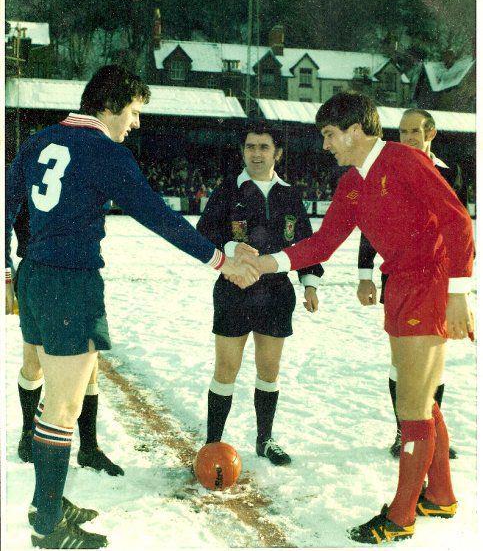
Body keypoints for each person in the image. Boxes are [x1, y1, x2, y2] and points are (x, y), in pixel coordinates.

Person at [5, 64, 257, 549]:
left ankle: (49, 500)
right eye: (135, 111)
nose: (136, 123)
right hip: (70, 282)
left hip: (35, 275)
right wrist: (219, 260)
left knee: (63, 393)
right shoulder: (105, 151)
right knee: (63, 405)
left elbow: (6, 201)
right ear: (112, 104)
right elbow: (159, 216)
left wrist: (7, 270)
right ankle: (47, 525)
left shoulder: (39, 140)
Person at [249, 92, 474, 543]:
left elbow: (459, 222)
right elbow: (322, 243)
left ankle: (401, 516)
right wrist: (266, 262)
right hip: (400, 286)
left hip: (430, 283)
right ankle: (441, 495)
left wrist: (457, 295)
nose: (326, 145)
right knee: (420, 396)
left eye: (330, 135)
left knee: (411, 405)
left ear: (354, 130)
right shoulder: (352, 181)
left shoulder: (405, 161)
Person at [196, 123, 322, 465]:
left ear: (277, 153)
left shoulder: (290, 194)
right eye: (250, 146)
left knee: (269, 369)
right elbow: (204, 232)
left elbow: (306, 246)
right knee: (226, 368)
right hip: (234, 290)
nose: (256, 153)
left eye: (264, 147)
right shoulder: (227, 190)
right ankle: (212, 445)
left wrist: (309, 282)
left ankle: (264, 440)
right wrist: (233, 246)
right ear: (242, 151)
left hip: (277, 294)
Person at [357, 108, 467, 460]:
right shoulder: (387, 169)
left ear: (430, 133)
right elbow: (372, 225)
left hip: (437, 278)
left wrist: (458, 287)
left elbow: (457, 224)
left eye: (415, 131)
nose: (408, 138)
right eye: (402, 132)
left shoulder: (451, 174)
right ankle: (403, 431)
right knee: (401, 362)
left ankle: (430, 436)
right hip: (399, 277)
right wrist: (364, 274)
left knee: (433, 363)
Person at [8, 200, 124, 475]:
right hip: (39, 273)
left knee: (89, 365)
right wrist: (5, 275)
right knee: (34, 360)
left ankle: (89, 448)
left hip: (78, 275)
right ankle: (28, 433)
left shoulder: (82, 167)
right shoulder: (28, 168)